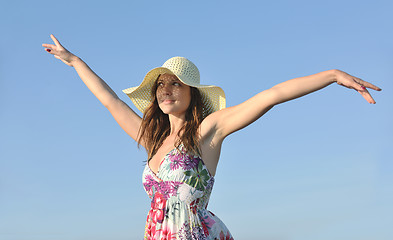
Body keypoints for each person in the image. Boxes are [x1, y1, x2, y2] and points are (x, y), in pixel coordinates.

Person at [42, 34, 381, 240]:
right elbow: (109, 100)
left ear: (193, 93)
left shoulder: (207, 131)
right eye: (160, 85)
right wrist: (73, 61)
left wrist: (333, 75)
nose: (166, 90)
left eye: (175, 83)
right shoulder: (151, 139)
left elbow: (270, 95)